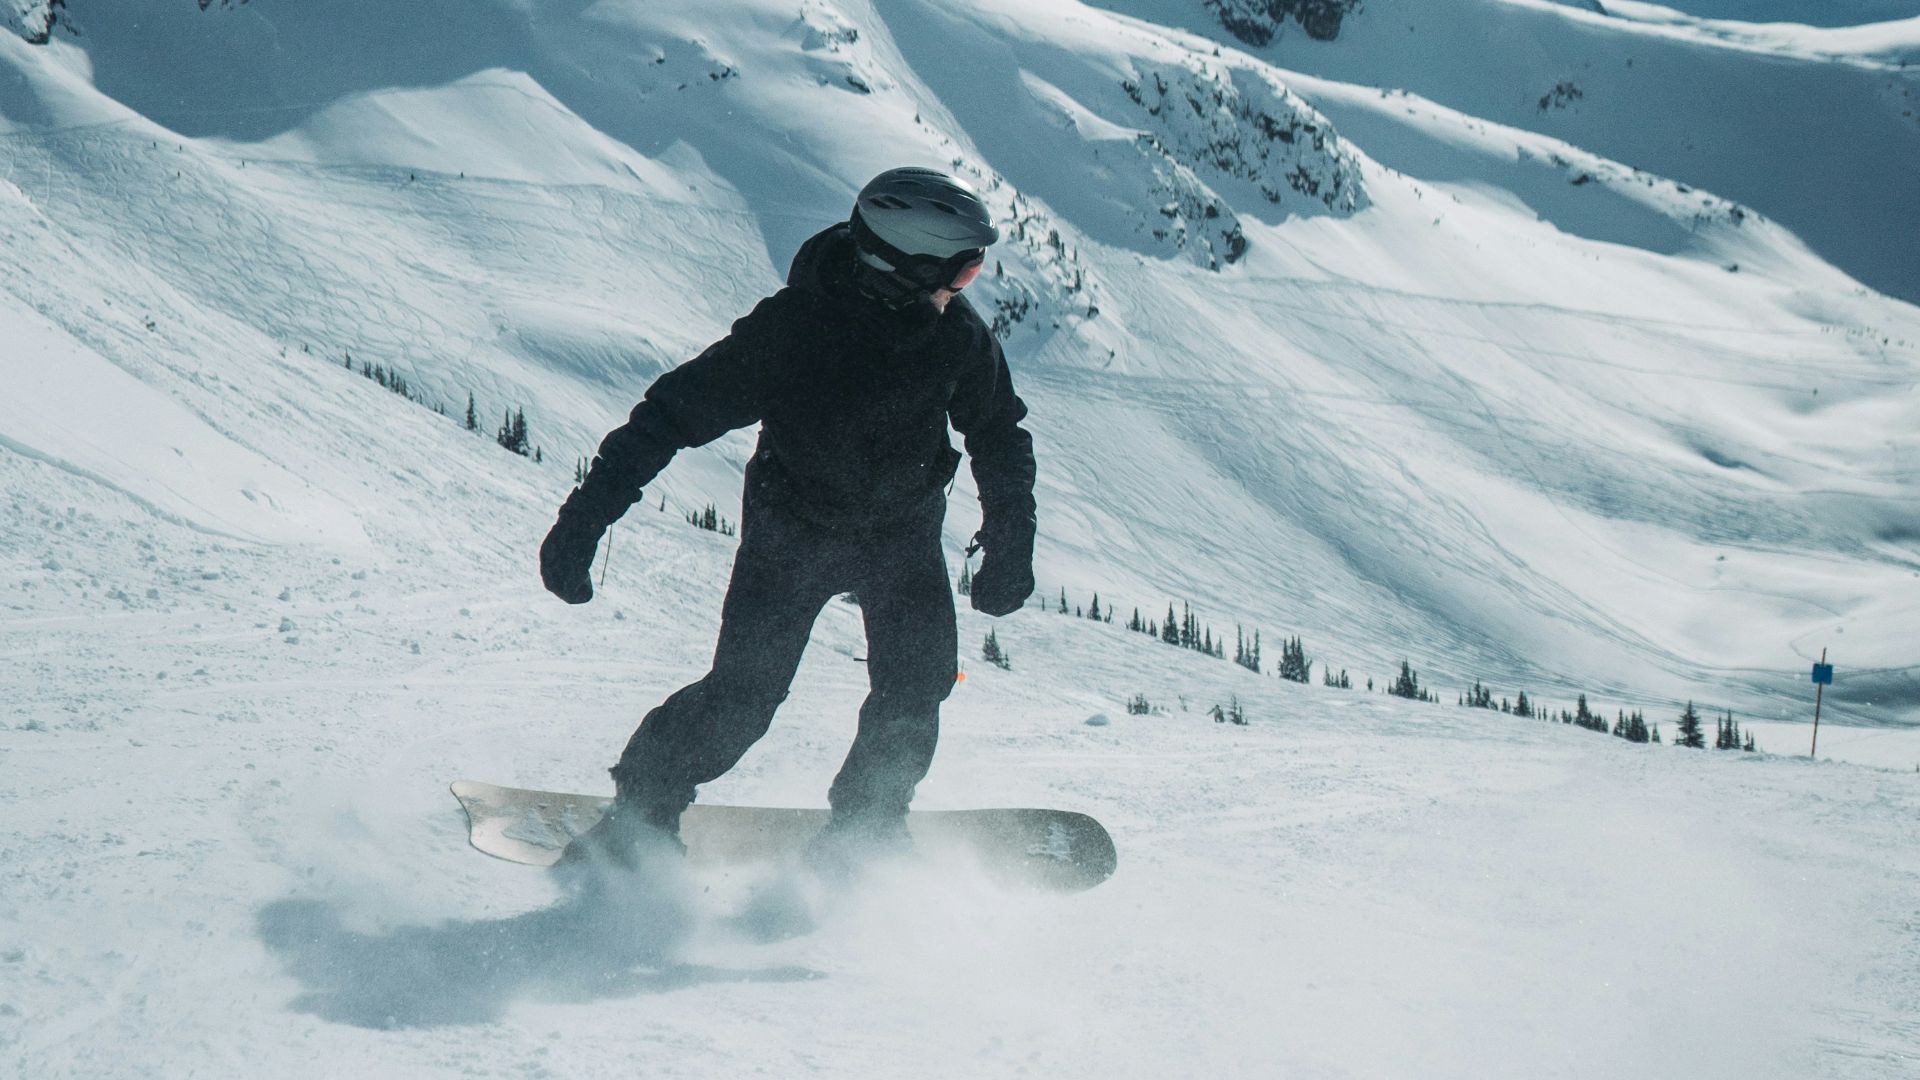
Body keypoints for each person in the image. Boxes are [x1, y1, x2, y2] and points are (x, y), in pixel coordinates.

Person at [538, 167, 1038, 872]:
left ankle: (868, 825)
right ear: (909, 265)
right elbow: (669, 417)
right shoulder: (794, 331)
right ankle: (642, 812)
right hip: (793, 534)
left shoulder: (954, 336)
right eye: (964, 269)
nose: (967, 286)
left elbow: (999, 433)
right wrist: (584, 518)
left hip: (901, 536)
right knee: (743, 698)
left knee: (916, 688)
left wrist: (1011, 538)